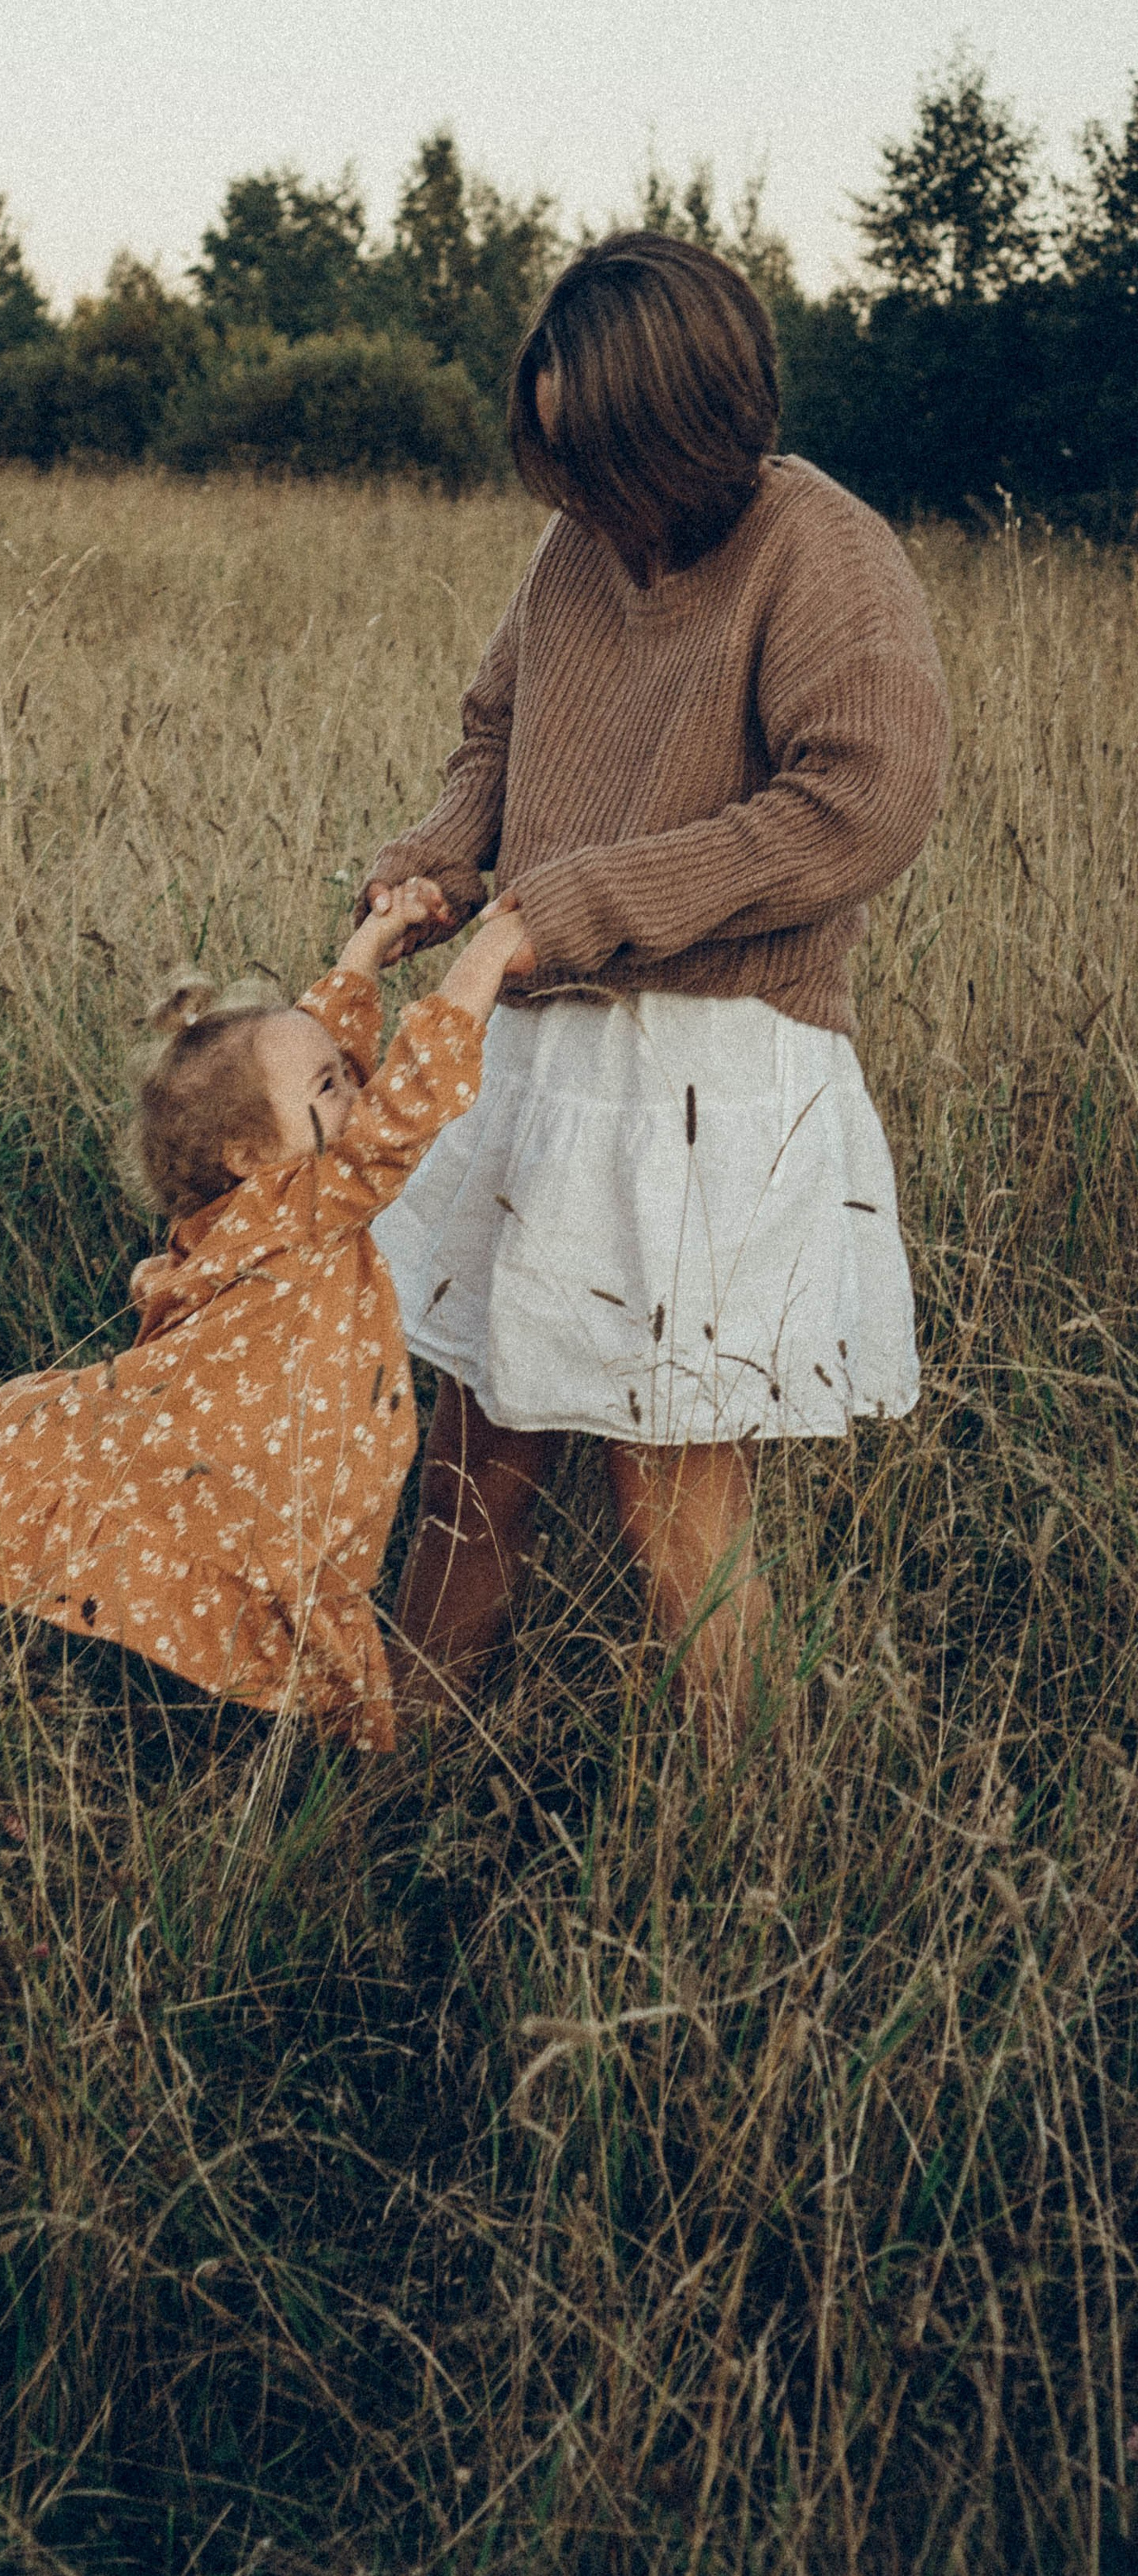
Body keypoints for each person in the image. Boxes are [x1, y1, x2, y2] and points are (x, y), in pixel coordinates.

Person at [356, 230, 949, 1735]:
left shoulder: (821, 547)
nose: (572, 488)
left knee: (669, 1487)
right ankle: (393, 1772)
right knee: (476, 1447)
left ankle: (743, 1823)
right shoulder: (577, 547)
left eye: (598, 455)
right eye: (553, 451)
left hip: (712, 1073)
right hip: (545, 1058)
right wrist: (443, 860)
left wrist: (574, 905)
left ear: (684, 421)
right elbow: (499, 734)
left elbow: (863, 802)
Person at [0, 886, 527, 1749]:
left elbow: (318, 1052)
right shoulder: (306, 1207)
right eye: (334, 1085)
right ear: (251, 1152)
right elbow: (409, 1102)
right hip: (69, 1485)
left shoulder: (258, 1206)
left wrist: (371, 945)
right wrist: (489, 951)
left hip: (61, 1447)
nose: (359, 1091)